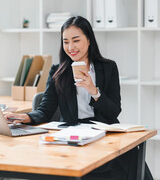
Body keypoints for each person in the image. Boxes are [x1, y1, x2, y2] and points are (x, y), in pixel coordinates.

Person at [5, 16, 153, 180]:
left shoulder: (108, 67)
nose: (70, 47)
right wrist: (24, 117)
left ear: (89, 40)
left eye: (76, 40)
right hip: (72, 133)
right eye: (65, 41)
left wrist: (94, 91)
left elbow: (113, 112)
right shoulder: (57, 71)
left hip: (104, 132)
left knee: (130, 156)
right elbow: (45, 111)